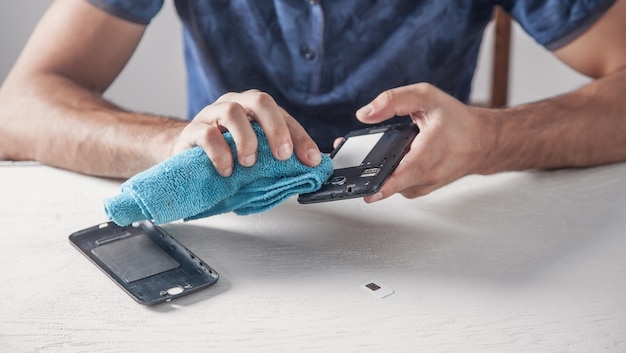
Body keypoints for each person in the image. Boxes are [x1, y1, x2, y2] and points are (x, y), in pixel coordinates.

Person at [1, 0, 625, 204]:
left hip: (423, 224)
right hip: (230, 218)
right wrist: (173, 145)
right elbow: (18, 108)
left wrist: (491, 139)